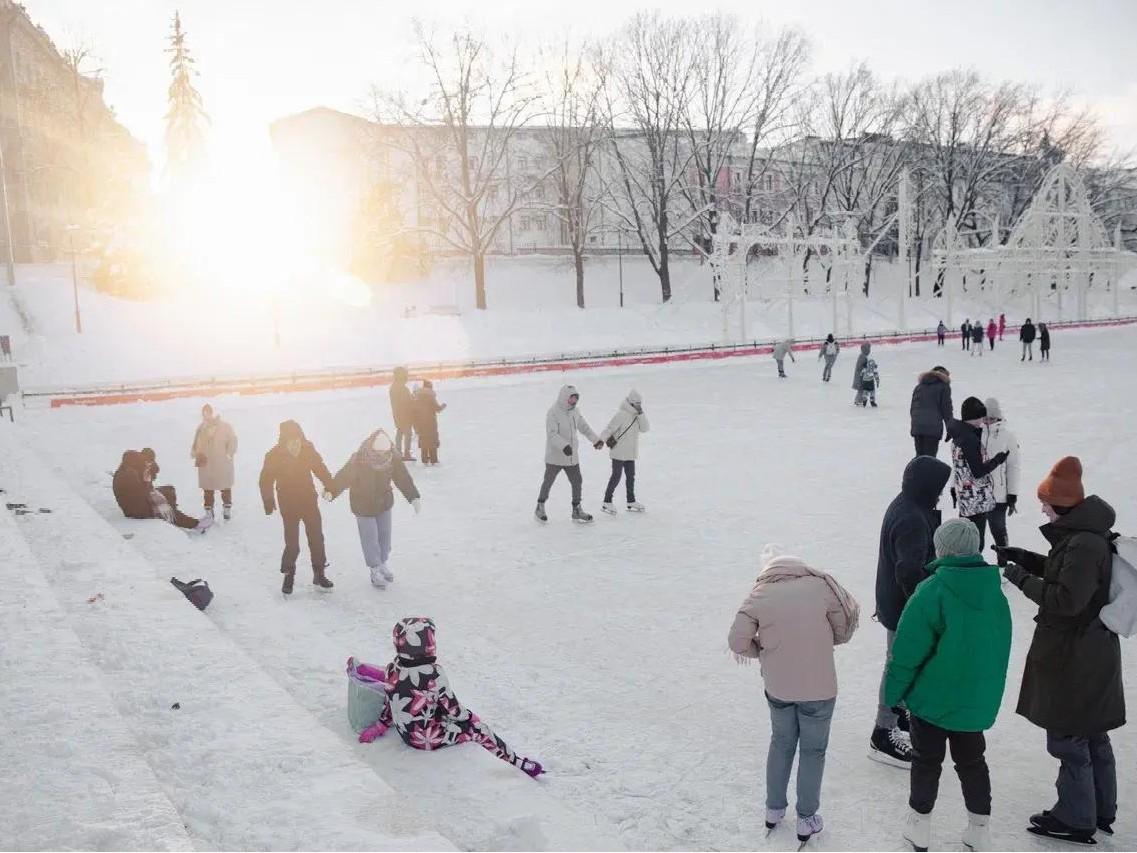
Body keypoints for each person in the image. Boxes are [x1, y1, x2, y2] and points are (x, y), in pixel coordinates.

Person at [1001, 457, 1123, 845]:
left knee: (1069, 738)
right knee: (1092, 733)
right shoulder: (1086, 535)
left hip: (1076, 655)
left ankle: (1076, 818)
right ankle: (1100, 809)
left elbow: (1066, 599)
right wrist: (1026, 558)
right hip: (1091, 651)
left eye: (1046, 503)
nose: (1042, 509)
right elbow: (1069, 575)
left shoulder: (1084, 542)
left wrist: (1020, 579)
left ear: (1063, 505)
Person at [887, 519, 1011, 853]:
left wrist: (892, 695)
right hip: (975, 701)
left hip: (932, 699)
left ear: (941, 550)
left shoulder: (932, 591)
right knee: (973, 762)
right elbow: (999, 648)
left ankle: (919, 827)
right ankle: (979, 830)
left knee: (926, 760)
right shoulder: (994, 592)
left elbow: (907, 651)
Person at [728, 545, 860, 847]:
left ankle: (773, 809)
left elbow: (737, 642)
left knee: (781, 743)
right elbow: (843, 631)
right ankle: (806, 817)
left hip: (779, 687)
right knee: (814, 751)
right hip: (820, 689)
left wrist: (762, 652)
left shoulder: (759, 594)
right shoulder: (821, 585)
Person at [356, 617, 545, 778]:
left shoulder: (393, 668)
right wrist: (472, 718)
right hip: (425, 738)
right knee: (479, 729)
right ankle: (516, 762)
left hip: (406, 731)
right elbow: (454, 710)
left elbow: (394, 698)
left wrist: (380, 726)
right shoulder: (433, 674)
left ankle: (513, 759)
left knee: (415, 699)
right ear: (427, 646)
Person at [871, 455, 952, 768]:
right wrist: (924, 609)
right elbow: (908, 571)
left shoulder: (907, 504)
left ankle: (900, 711)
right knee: (899, 666)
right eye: (939, 488)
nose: (942, 494)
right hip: (903, 608)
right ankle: (882, 731)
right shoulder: (912, 519)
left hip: (895, 602)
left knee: (904, 664)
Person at [329, 430, 420, 589]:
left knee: (385, 536)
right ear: (372, 447)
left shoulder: (392, 458)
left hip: (383, 503)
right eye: (378, 452)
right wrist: (331, 491)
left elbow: (403, 478)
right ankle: (374, 569)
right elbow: (344, 476)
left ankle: (382, 564)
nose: (381, 455)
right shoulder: (359, 459)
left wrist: (413, 497)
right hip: (363, 505)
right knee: (370, 539)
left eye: (384, 452)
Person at [259, 420, 336, 594]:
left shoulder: (308, 449)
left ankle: (319, 574)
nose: (295, 445)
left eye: (297, 440)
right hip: (288, 504)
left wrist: (330, 484)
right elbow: (265, 479)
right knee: (292, 543)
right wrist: (268, 499)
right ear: (283, 440)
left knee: (316, 538)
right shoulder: (274, 455)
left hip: (308, 500)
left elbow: (320, 468)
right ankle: (289, 574)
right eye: (291, 441)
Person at [946, 398, 1010, 550]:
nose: (983, 421)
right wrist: (998, 460)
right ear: (975, 418)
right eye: (981, 417)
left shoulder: (959, 434)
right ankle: (972, 570)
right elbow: (978, 471)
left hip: (965, 496)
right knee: (975, 542)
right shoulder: (969, 439)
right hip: (976, 499)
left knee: (966, 538)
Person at [535, 384, 602, 524]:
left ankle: (576, 510)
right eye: (571, 398)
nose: (574, 401)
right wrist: (564, 446)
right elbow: (552, 434)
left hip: (571, 457)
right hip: (555, 457)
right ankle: (540, 506)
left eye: (576, 398)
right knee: (548, 481)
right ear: (564, 398)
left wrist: (595, 440)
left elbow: (584, 427)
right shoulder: (553, 412)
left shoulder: (575, 412)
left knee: (577, 481)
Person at [112, 448, 209, 533]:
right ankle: (196, 524)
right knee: (166, 509)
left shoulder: (124, 471)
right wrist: (146, 481)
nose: (143, 463)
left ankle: (174, 512)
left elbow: (143, 490)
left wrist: (147, 478)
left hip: (134, 505)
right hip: (137, 510)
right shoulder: (130, 475)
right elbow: (144, 493)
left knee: (168, 490)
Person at [981, 398, 1021, 565]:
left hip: (999, 495)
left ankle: (1003, 566)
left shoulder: (1008, 436)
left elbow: (1013, 466)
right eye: (985, 418)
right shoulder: (976, 433)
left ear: (998, 418)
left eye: (991, 418)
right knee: (976, 534)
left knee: (998, 530)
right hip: (979, 494)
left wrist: (1012, 494)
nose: (988, 421)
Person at [599, 389, 649, 514]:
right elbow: (609, 428)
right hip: (619, 452)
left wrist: (641, 413)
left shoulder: (638, 416)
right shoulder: (621, 414)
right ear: (631, 403)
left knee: (631, 477)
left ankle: (631, 500)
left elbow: (645, 428)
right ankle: (607, 501)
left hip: (630, 453)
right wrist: (600, 440)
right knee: (616, 476)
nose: (638, 406)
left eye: (640, 404)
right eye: (636, 404)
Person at [191, 403, 237, 521]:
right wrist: (196, 453)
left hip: (221, 462)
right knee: (208, 489)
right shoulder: (201, 428)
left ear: (212, 413)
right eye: (204, 413)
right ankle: (209, 513)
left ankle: (227, 509)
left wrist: (228, 454)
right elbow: (196, 443)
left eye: (208, 413)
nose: (206, 415)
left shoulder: (225, 426)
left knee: (225, 486)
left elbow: (233, 440)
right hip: (206, 463)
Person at [909, 366, 952, 458]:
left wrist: (916, 423)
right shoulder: (944, 387)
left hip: (918, 426)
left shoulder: (919, 387)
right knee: (930, 458)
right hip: (933, 427)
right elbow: (946, 409)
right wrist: (950, 427)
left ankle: (917, 472)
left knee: (919, 457)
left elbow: (913, 408)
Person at [413, 380, 447, 465]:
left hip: (420, 421)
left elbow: (414, 410)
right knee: (432, 439)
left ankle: (424, 459)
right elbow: (437, 409)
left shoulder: (417, 396)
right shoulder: (431, 396)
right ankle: (433, 459)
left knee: (423, 438)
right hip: (430, 421)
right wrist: (443, 406)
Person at [389, 366, 415, 461]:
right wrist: (413, 398)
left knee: (400, 433)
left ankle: (399, 453)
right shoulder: (402, 388)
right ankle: (406, 454)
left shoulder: (393, 387)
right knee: (407, 434)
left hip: (397, 414)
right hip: (405, 415)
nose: (407, 377)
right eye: (406, 375)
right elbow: (407, 401)